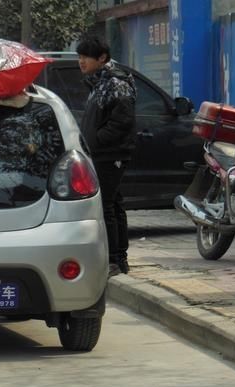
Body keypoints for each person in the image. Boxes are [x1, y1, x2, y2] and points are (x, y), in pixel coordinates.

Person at [76, 36, 137, 276]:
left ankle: (113, 259)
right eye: (80, 57)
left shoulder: (116, 83)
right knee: (114, 202)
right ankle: (119, 258)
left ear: (102, 58)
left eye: (85, 57)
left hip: (111, 153)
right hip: (100, 152)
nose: (81, 62)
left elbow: (122, 121)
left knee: (107, 206)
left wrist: (95, 141)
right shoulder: (97, 83)